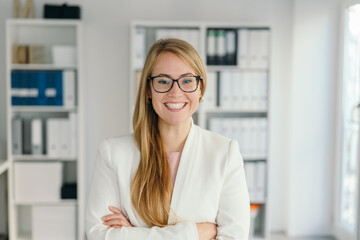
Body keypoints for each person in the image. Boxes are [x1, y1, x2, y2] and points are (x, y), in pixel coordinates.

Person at [86, 38, 250, 240]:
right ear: (148, 90)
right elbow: (99, 236)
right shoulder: (112, 153)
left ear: (201, 88)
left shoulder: (225, 152)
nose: (175, 92)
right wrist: (197, 232)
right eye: (163, 81)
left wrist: (133, 233)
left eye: (187, 80)